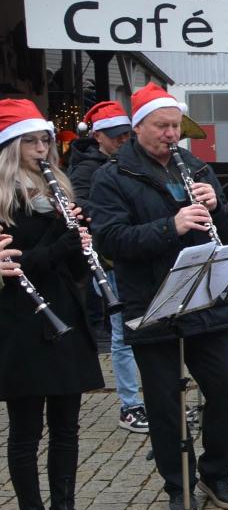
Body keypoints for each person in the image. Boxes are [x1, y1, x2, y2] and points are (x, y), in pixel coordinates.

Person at [91, 84, 228, 510]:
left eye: (176, 126)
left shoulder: (196, 167)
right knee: (164, 402)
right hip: (150, 304)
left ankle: (216, 474)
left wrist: (218, 209)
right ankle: (178, 484)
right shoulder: (113, 177)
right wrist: (171, 226)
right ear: (138, 126)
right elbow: (110, 241)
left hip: (204, 300)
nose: (171, 134)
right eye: (161, 126)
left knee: (226, 390)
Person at [0, 99, 104, 510]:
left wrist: (84, 243)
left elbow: (70, 266)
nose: (43, 149)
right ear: (10, 147)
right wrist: (63, 237)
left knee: (67, 428)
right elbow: (22, 266)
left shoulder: (57, 188)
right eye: (33, 141)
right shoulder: (5, 201)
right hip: (21, 322)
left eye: (45, 140)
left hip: (64, 315)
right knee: (26, 433)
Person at [68, 100, 148, 434]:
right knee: (123, 334)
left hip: (140, 253)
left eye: (127, 135)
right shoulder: (86, 169)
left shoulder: (132, 160)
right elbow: (85, 208)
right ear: (98, 135)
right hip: (113, 257)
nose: (123, 141)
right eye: (116, 136)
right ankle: (130, 404)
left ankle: (154, 398)